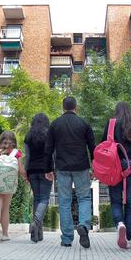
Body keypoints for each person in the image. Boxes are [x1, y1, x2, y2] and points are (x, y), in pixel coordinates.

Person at [45, 96, 95, 248]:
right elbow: (93, 147)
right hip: (81, 166)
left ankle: (67, 238)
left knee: (65, 202)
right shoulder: (84, 123)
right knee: (84, 198)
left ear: (63, 108)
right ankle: (84, 226)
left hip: (62, 168)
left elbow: (48, 149)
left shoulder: (55, 124)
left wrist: (48, 169)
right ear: (76, 108)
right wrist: (95, 167)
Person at [101, 102, 131, 249]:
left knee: (115, 201)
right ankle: (127, 238)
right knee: (130, 202)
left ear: (117, 111)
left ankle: (119, 224)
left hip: (115, 166)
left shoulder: (111, 124)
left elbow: (103, 145)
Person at [0, 131, 27, 244]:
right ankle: (5, 234)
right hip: (9, 184)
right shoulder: (17, 153)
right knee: (5, 208)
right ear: (14, 141)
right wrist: (26, 179)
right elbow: (21, 170)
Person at [24, 113, 54, 243]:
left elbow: (27, 156)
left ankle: (37, 234)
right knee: (44, 199)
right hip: (46, 170)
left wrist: (26, 171)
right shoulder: (50, 134)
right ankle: (36, 222)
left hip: (32, 170)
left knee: (36, 199)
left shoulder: (28, 135)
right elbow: (53, 154)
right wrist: (53, 169)